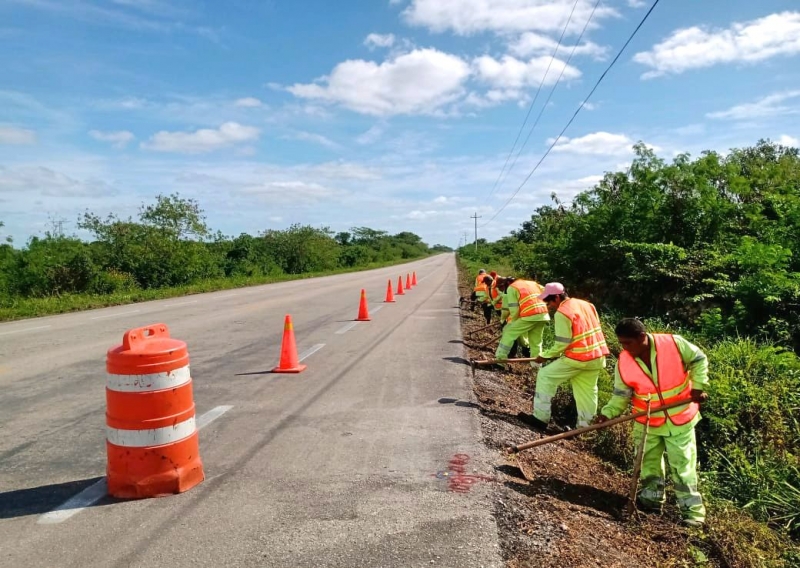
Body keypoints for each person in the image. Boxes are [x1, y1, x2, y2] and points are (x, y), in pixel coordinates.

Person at [595, 318, 708, 527]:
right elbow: (621, 395)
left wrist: (698, 386)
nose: (624, 348)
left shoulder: (673, 344)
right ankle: (651, 501)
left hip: (679, 418)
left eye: (628, 343)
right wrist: (607, 414)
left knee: (683, 466)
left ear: (642, 337)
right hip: (646, 420)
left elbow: (699, 359)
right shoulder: (624, 361)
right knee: (648, 464)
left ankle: (693, 513)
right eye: (621, 343)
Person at [525, 283, 608, 430]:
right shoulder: (587, 305)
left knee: (545, 376)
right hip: (597, 357)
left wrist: (544, 355)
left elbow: (562, 343)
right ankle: (585, 429)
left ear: (557, 297)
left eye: (549, 301)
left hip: (578, 358)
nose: (549, 305)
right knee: (587, 394)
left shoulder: (562, 312)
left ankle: (540, 418)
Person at [493, 277, 550, 369]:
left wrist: (512, 322)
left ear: (508, 283)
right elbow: (547, 293)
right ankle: (536, 366)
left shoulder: (512, 287)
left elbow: (514, 310)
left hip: (529, 315)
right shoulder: (533, 283)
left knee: (508, 332)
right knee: (536, 342)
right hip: (543, 315)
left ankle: (500, 360)